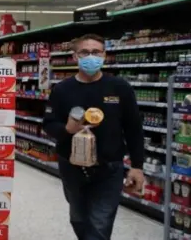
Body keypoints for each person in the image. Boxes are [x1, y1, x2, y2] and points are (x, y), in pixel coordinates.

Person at [42, 33, 145, 240]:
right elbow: (49, 125)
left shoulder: (120, 87)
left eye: (96, 52)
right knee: (78, 218)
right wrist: (67, 129)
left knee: (101, 223)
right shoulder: (62, 89)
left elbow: (134, 127)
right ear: (75, 56)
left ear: (105, 55)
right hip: (72, 167)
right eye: (85, 52)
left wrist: (137, 166)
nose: (91, 57)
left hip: (109, 167)